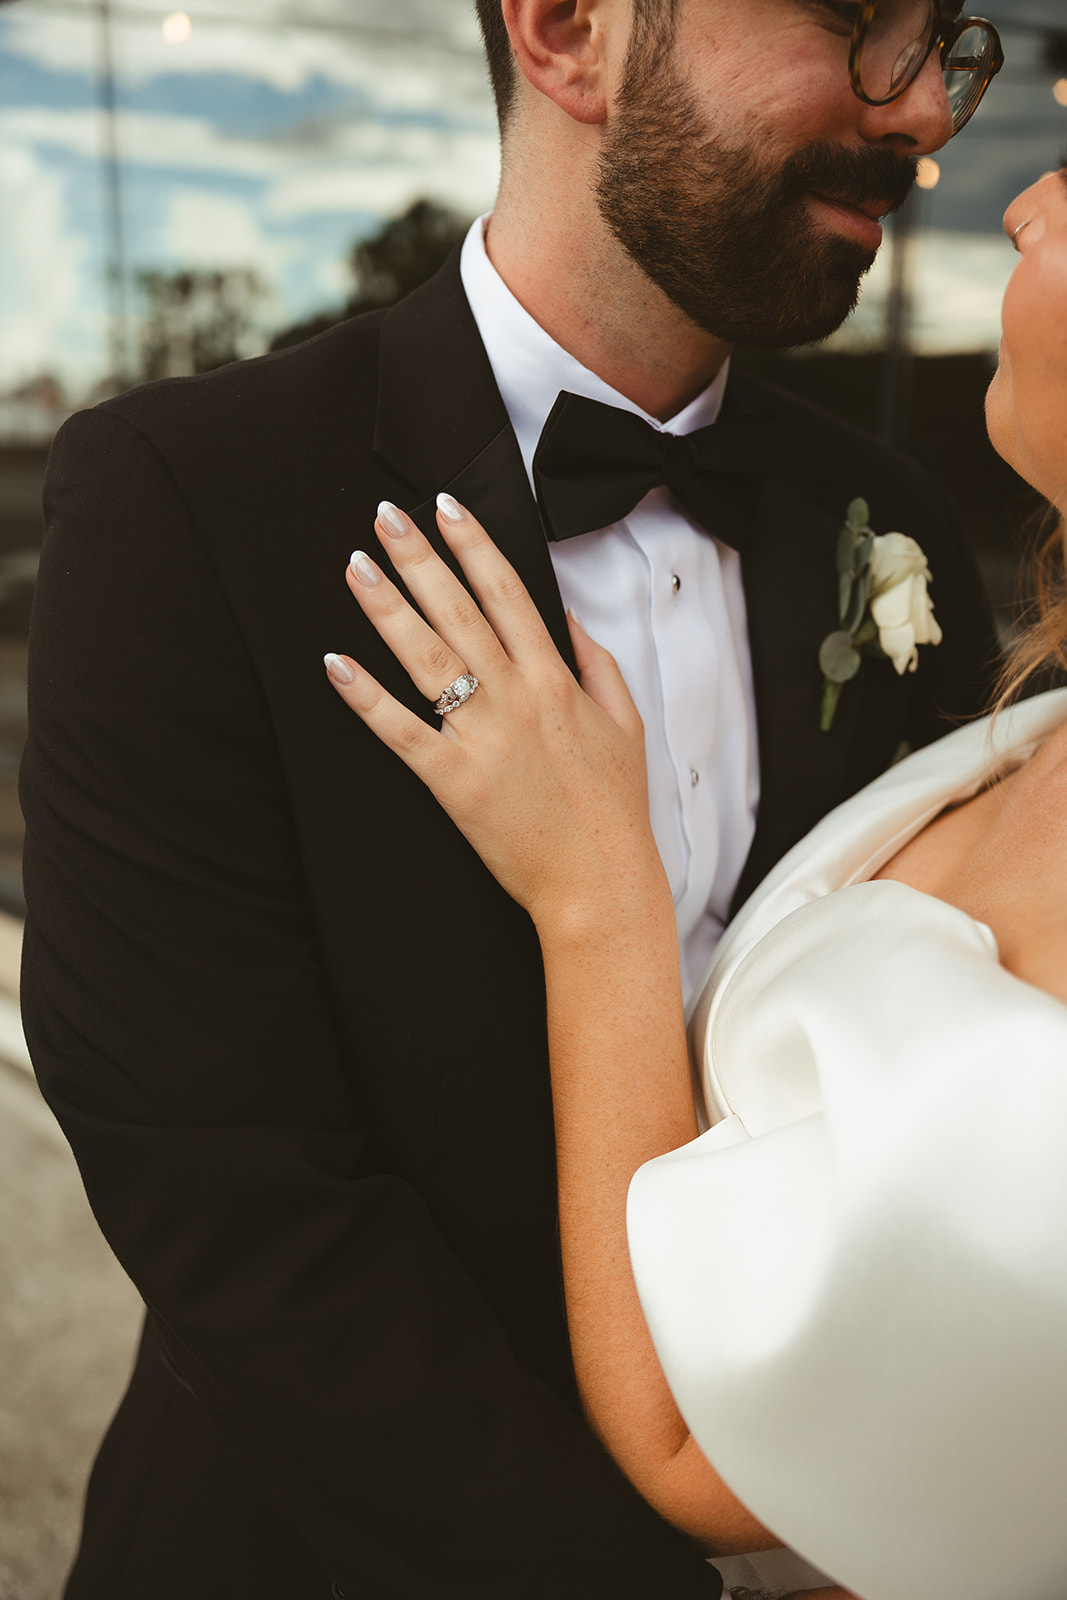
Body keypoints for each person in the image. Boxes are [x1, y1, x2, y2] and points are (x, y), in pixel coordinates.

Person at [20, 3, 1001, 1597]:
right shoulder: (185, 503)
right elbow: (242, 1225)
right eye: (854, 21)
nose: (921, 116)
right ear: (568, 32)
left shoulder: (889, 526)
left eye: (943, 41)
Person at [322, 160, 1067, 1600]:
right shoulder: (1032, 722)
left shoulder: (877, 506)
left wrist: (597, 899)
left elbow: (701, 1449)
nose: (1022, 195)